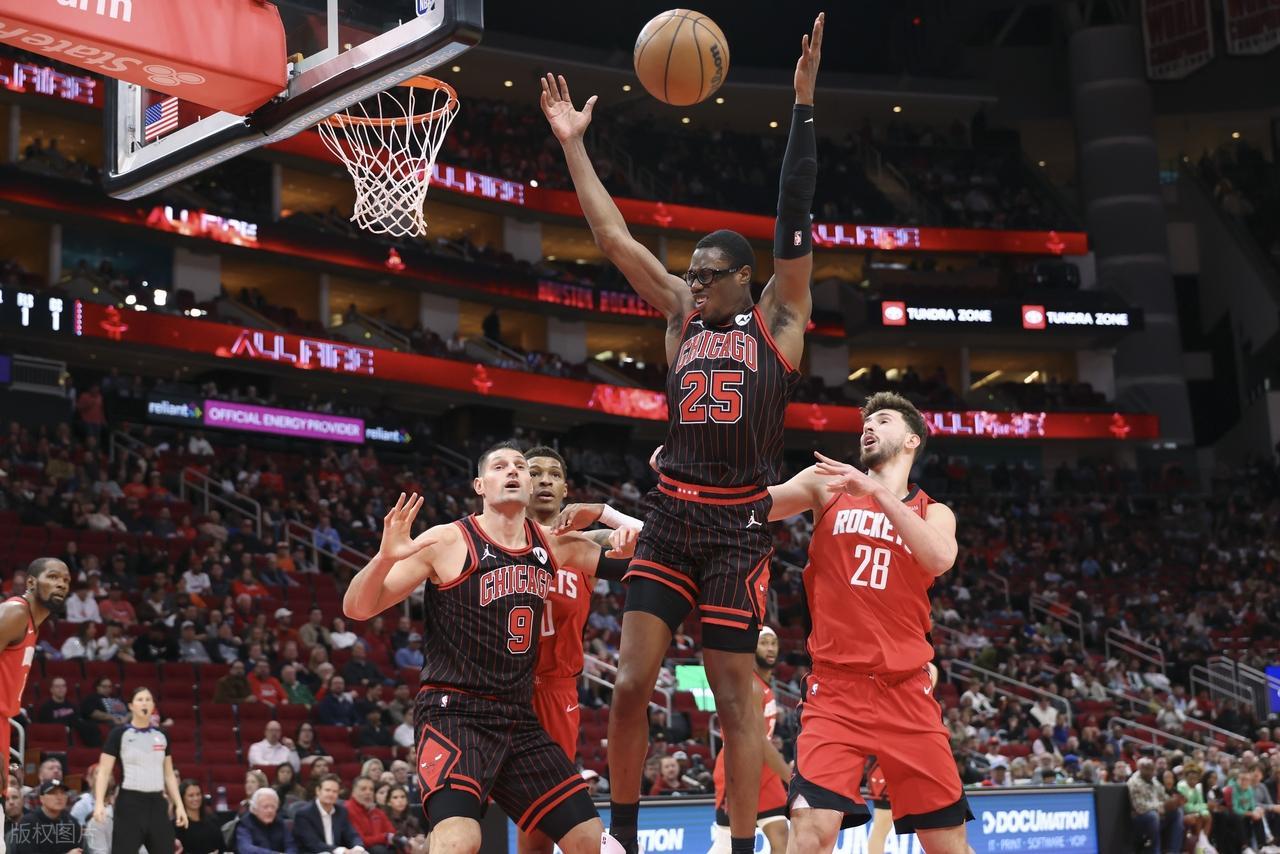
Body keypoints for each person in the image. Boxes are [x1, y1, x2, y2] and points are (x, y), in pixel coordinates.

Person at [541, 15, 825, 853]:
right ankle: (625, 838)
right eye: (690, 273)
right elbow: (611, 238)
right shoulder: (678, 316)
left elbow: (795, 212)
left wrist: (803, 105)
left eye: (708, 274)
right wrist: (573, 145)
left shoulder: (780, 320)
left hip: (738, 529)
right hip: (670, 517)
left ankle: (739, 846)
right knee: (630, 684)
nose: (693, 282)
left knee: (736, 702)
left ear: (745, 278)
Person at [342, 443, 634, 854]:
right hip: (454, 714)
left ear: (528, 484)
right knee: (461, 840)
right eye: (500, 466)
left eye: (519, 466)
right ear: (480, 485)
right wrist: (383, 559)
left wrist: (610, 517)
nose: (512, 471)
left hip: (518, 716)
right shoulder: (447, 539)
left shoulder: (554, 544)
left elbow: (657, 556)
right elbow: (356, 608)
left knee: (589, 841)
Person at [763, 392, 972, 852]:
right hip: (836, 691)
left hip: (907, 692)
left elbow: (939, 558)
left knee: (947, 844)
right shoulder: (826, 484)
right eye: (866, 422)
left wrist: (876, 491)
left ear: (912, 440)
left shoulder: (935, 512)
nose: (869, 427)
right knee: (810, 831)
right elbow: (755, 505)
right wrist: (692, 476)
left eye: (883, 419)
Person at [518, 446, 632, 854]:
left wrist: (605, 513)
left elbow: (659, 540)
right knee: (463, 811)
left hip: (555, 689)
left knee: (542, 820)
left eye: (554, 474)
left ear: (566, 489)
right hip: (498, 686)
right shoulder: (494, 539)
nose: (544, 480)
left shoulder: (585, 544)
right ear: (518, 482)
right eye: (535, 472)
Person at [0, 558, 69, 851]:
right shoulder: (15, 612)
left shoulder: (32, 624)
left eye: (65, 580)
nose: (61, 584)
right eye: (53, 577)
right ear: (30, 582)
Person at [708, 627, 791, 854]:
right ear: (752, 648)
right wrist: (790, 777)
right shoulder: (750, 685)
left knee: (782, 838)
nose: (770, 648)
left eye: (773, 643)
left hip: (764, 770)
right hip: (739, 765)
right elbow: (760, 742)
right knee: (726, 845)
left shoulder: (764, 684)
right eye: (764, 643)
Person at [93, 686, 186, 852]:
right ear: (131, 706)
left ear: (153, 706)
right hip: (130, 803)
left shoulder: (162, 735)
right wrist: (99, 803)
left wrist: (179, 805)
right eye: (140, 699)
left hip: (157, 803)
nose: (144, 703)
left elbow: (169, 775)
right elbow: (104, 771)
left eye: (148, 700)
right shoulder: (119, 734)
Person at [292, 774, 368, 854]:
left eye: (335, 791)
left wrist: (357, 847)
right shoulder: (304, 814)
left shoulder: (341, 811)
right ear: (318, 791)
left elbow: (352, 835)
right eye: (327, 790)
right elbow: (313, 843)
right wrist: (343, 851)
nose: (331, 794)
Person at [1127, 757, 1183, 854]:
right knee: (1153, 816)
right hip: (1139, 820)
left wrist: (1173, 802)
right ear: (1139, 768)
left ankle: (1173, 851)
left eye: (1152, 769)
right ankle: (1154, 851)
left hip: (1157, 814)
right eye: (1146, 769)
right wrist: (1162, 807)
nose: (1150, 772)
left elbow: (1164, 796)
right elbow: (1140, 808)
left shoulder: (1154, 780)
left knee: (1177, 812)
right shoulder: (1134, 782)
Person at [10, 780, 80, 854]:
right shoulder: (28, 823)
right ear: (42, 798)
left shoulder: (71, 822)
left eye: (62, 793)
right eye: (53, 793)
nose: (59, 797)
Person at [345, 776, 397, 854]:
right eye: (363, 789)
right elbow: (360, 840)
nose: (368, 792)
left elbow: (392, 834)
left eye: (371, 789)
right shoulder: (347, 810)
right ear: (353, 792)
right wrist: (384, 837)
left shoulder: (377, 811)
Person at [235, 788, 296, 854]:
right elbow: (246, 849)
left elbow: (291, 847)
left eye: (273, 806)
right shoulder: (244, 824)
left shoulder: (280, 823)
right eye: (265, 807)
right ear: (254, 809)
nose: (270, 811)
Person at [175, 779, 223, 854]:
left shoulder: (213, 820)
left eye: (198, 794)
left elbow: (222, 847)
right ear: (182, 798)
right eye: (191, 795)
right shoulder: (178, 824)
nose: (196, 798)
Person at [384, 785, 428, 854]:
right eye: (395, 797)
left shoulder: (413, 819)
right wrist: (412, 840)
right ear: (388, 802)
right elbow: (393, 838)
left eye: (403, 797)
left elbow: (421, 834)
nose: (400, 800)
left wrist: (421, 838)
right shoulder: (385, 819)